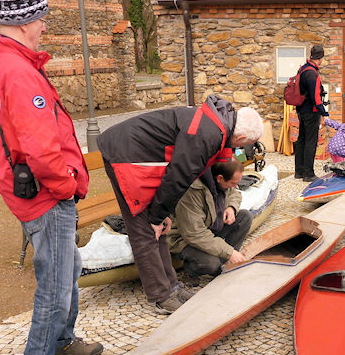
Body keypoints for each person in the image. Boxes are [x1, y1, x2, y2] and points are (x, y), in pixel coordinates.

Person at [0, 0, 103, 355]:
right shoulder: (17, 72)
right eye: (41, 19)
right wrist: (67, 186)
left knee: (69, 267)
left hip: (40, 190)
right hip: (47, 195)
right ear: (23, 21)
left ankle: (63, 339)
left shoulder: (9, 65)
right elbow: (40, 147)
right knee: (54, 278)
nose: (45, 26)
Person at [97, 96, 263, 314]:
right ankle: (161, 296)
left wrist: (162, 214)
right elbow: (179, 176)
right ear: (240, 136)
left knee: (160, 227)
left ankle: (172, 287)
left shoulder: (218, 126)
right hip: (126, 154)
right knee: (145, 230)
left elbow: (179, 175)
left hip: (148, 159)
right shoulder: (208, 134)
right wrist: (156, 217)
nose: (240, 150)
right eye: (243, 145)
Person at [167, 160, 253, 280]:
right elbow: (195, 234)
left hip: (209, 225)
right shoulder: (192, 191)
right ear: (220, 178)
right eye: (233, 183)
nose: (236, 186)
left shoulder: (221, 180)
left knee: (244, 217)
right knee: (211, 264)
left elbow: (234, 193)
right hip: (184, 238)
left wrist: (231, 207)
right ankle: (193, 268)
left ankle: (224, 261)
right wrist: (229, 252)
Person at [295, 44, 329, 182]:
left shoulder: (303, 69)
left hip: (301, 110)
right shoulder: (312, 73)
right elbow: (316, 97)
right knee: (311, 141)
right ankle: (308, 174)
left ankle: (299, 171)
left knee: (302, 140)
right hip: (311, 111)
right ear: (320, 58)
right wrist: (323, 113)